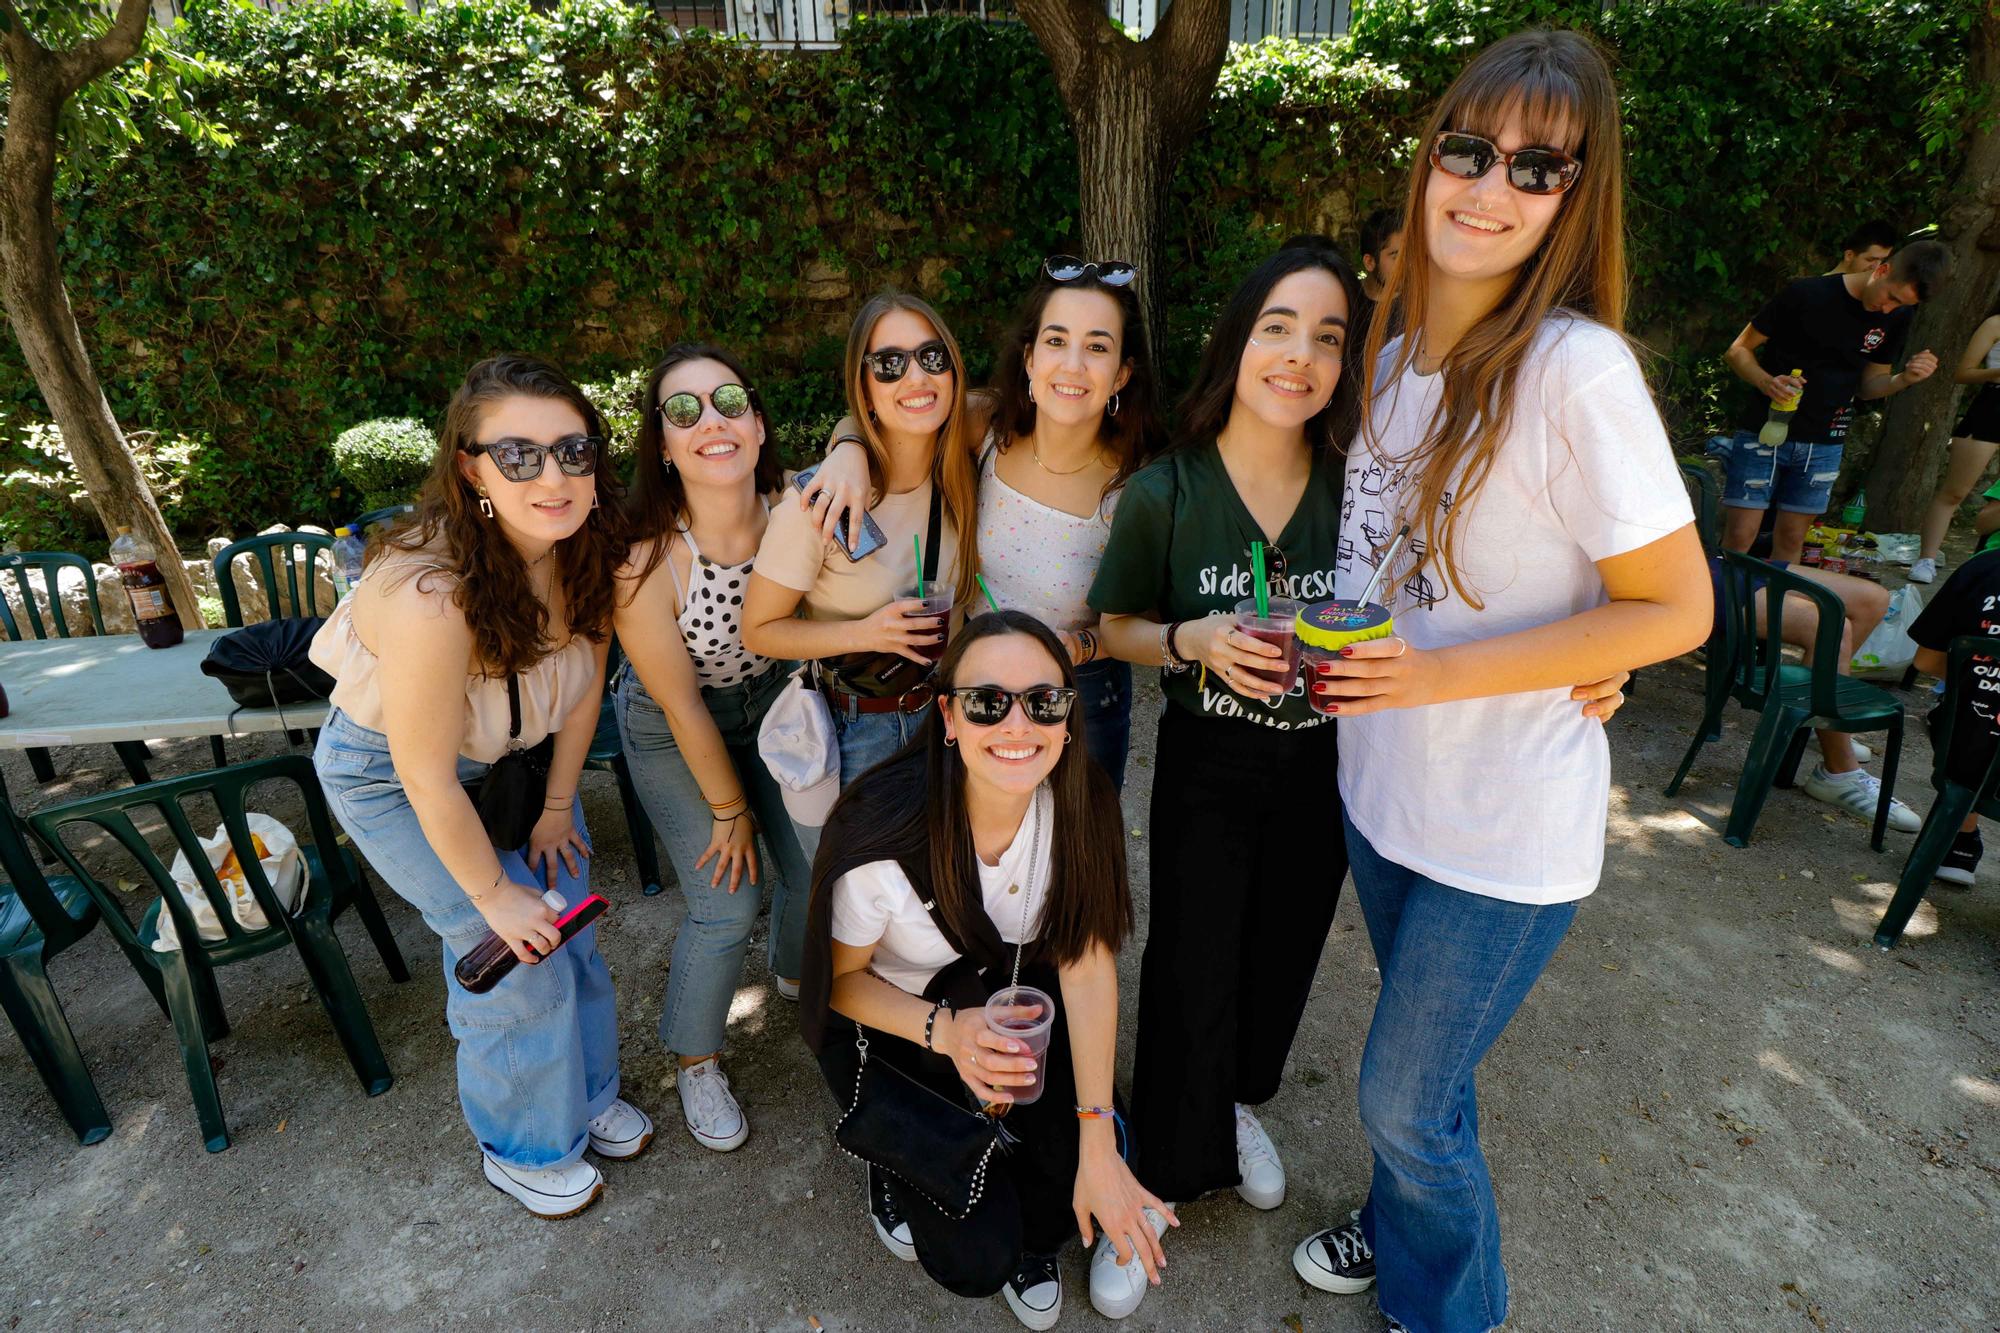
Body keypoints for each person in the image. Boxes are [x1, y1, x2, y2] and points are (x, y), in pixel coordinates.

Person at [1284, 31, 1713, 1333]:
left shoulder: (1578, 371)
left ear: (1577, 201)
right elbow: (1403, 569)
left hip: (1504, 832)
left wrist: (1474, 672)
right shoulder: (1394, 357)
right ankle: (1410, 1217)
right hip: (1386, 799)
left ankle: (1450, 1307)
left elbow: (1679, 604)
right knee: (1433, 1080)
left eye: (1539, 166)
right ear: (1427, 161)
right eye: (1469, 149)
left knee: (1405, 1097)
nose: (1490, 184)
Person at [310, 354, 651, 1219]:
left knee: (568, 918)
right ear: (472, 466)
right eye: (521, 454)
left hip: (504, 763)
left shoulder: (588, 551)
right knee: (510, 955)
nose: (555, 475)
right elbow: (422, 774)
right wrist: (494, 891)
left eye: (573, 450)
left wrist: (556, 807)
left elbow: (580, 699)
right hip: (393, 777)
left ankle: (582, 1091)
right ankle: (524, 1145)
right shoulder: (432, 592)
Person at [798, 610, 1171, 1330]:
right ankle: (893, 1158)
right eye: (987, 702)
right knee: (976, 1258)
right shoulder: (878, 838)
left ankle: (1055, 1175)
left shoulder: (1081, 798)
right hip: (902, 1025)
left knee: (1057, 1207)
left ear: (1067, 717)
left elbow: (1088, 961)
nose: (1017, 724)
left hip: (1010, 1002)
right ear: (948, 715)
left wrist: (1098, 1134)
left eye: (1044, 700)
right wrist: (949, 1033)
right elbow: (839, 985)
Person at [801, 257, 1169, 788]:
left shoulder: (1136, 484)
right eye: (1056, 341)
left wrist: (1084, 646)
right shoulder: (987, 428)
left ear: (1122, 374)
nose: (1071, 365)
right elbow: (897, 412)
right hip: (975, 672)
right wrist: (849, 447)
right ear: (1029, 358)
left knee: (1074, 851)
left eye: (1097, 346)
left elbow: (1140, 623)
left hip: (1077, 689)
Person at [611, 342, 817, 1153]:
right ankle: (696, 1058)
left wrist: (842, 446)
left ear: (760, 426)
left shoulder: (799, 506)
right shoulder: (644, 557)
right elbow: (680, 699)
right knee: (728, 899)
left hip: (771, 702)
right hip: (671, 722)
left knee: (813, 871)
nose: (712, 423)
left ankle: (798, 978)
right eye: (684, 410)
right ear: (663, 445)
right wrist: (729, 809)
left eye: (729, 402)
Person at [743, 292, 980, 800]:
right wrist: (866, 633)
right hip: (857, 731)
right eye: (890, 364)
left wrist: (847, 436)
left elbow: (1016, 402)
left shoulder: (966, 475)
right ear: (865, 389)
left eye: (932, 357)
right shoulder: (819, 505)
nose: (916, 377)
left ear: (953, 372)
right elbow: (759, 632)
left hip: (949, 717)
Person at [1717, 238, 1951, 564]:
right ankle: (1721, 611)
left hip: (1825, 441)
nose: (1888, 309)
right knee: (1741, 535)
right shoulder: (1807, 293)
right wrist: (1766, 382)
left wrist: (1904, 380)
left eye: (1901, 306)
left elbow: (1869, 387)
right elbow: (1738, 349)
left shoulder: (1897, 316)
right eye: (1891, 297)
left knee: (1792, 538)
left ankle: (1775, 612)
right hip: (1765, 429)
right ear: (1880, 269)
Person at [1705, 556, 1919, 831]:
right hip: (1687, 575)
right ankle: (1839, 772)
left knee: (1873, 598)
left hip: (1715, 560)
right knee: (1831, 626)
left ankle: (1821, 723)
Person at [1908, 545, 2000, 884]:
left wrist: (1979, 681)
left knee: (1971, 715)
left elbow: (1925, 661)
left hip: (1973, 751)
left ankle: (1958, 836)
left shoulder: (1985, 568)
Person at [1910, 307, 2000, 583]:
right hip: (1993, 406)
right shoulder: (1995, 323)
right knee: (1955, 491)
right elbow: (1963, 372)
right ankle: (1926, 559)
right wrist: (1996, 372)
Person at [1356, 206, 1405, 337]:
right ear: (1369, 262)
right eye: (1396, 257)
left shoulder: (1423, 304)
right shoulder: (1347, 302)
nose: (1407, 265)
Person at [1824, 219, 1898, 276]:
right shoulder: (1820, 289)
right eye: (1870, 259)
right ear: (1849, 255)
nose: (1876, 267)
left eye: (1882, 260)